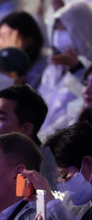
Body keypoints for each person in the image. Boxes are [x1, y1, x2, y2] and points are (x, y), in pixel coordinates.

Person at [38, 1, 92, 140]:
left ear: (79, 29)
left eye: (63, 28)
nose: (57, 33)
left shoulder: (88, 68)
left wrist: (78, 69)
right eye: (55, 27)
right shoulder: (54, 67)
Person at [0, 11, 47, 89]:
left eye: (6, 37)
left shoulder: (42, 68)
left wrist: (13, 55)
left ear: (29, 40)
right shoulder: (0, 63)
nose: (0, 43)